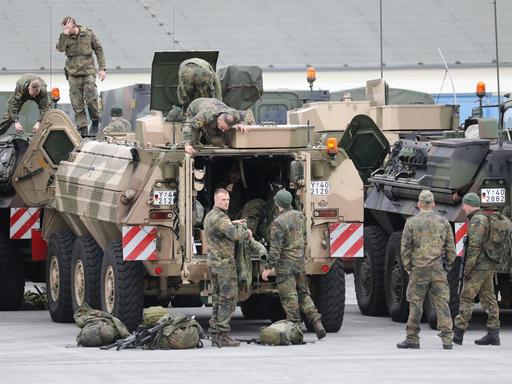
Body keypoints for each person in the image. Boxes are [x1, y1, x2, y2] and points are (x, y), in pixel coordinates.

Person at [261, 189, 326, 340]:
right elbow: (304, 238)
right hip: (299, 262)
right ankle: (317, 322)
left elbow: (275, 250)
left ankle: (295, 328)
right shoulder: (300, 216)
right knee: (304, 294)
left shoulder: (277, 222)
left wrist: (268, 268)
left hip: (285, 266)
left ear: (277, 203)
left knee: (289, 296)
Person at [397, 189, 456, 350]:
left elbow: (405, 248)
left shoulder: (411, 223)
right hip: (438, 270)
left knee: (415, 304)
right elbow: (451, 249)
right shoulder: (443, 222)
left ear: (419, 204)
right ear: (434, 204)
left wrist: (408, 267)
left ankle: (412, 338)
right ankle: (447, 339)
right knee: (442, 304)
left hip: (419, 270)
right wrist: (447, 267)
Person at [204, 188, 252, 347]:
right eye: (223, 199)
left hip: (214, 263)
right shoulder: (221, 218)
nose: (227, 202)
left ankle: (215, 333)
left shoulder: (211, 215)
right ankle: (222, 334)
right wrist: (247, 233)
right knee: (229, 299)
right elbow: (235, 235)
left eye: (228, 199)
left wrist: (232, 222)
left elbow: (223, 227)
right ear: (216, 200)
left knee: (218, 298)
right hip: (224, 265)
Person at [453, 192, 503, 346]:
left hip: (479, 266)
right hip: (488, 265)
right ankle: (493, 333)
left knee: (467, 297)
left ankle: (458, 333)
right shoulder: (486, 217)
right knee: (489, 297)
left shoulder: (477, 220)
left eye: (464, 205)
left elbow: (474, 246)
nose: (463, 207)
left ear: (469, 205)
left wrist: (468, 267)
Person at [56, 16, 106, 136]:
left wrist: (102, 68)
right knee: (77, 104)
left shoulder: (88, 33)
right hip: (73, 74)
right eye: (64, 28)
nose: (66, 29)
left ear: (73, 25)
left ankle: (95, 121)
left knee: (91, 99)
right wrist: (65, 34)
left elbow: (98, 49)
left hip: (88, 72)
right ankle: (83, 129)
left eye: (67, 27)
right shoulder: (65, 36)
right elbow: (60, 48)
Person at [183, 98, 250, 155]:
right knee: (194, 139)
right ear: (219, 120)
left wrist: (243, 124)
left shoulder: (234, 115)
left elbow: (247, 113)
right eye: (222, 128)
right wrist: (187, 144)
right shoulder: (207, 115)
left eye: (225, 129)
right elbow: (189, 126)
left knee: (218, 139)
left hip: (215, 105)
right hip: (194, 108)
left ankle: (210, 137)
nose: (223, 130)